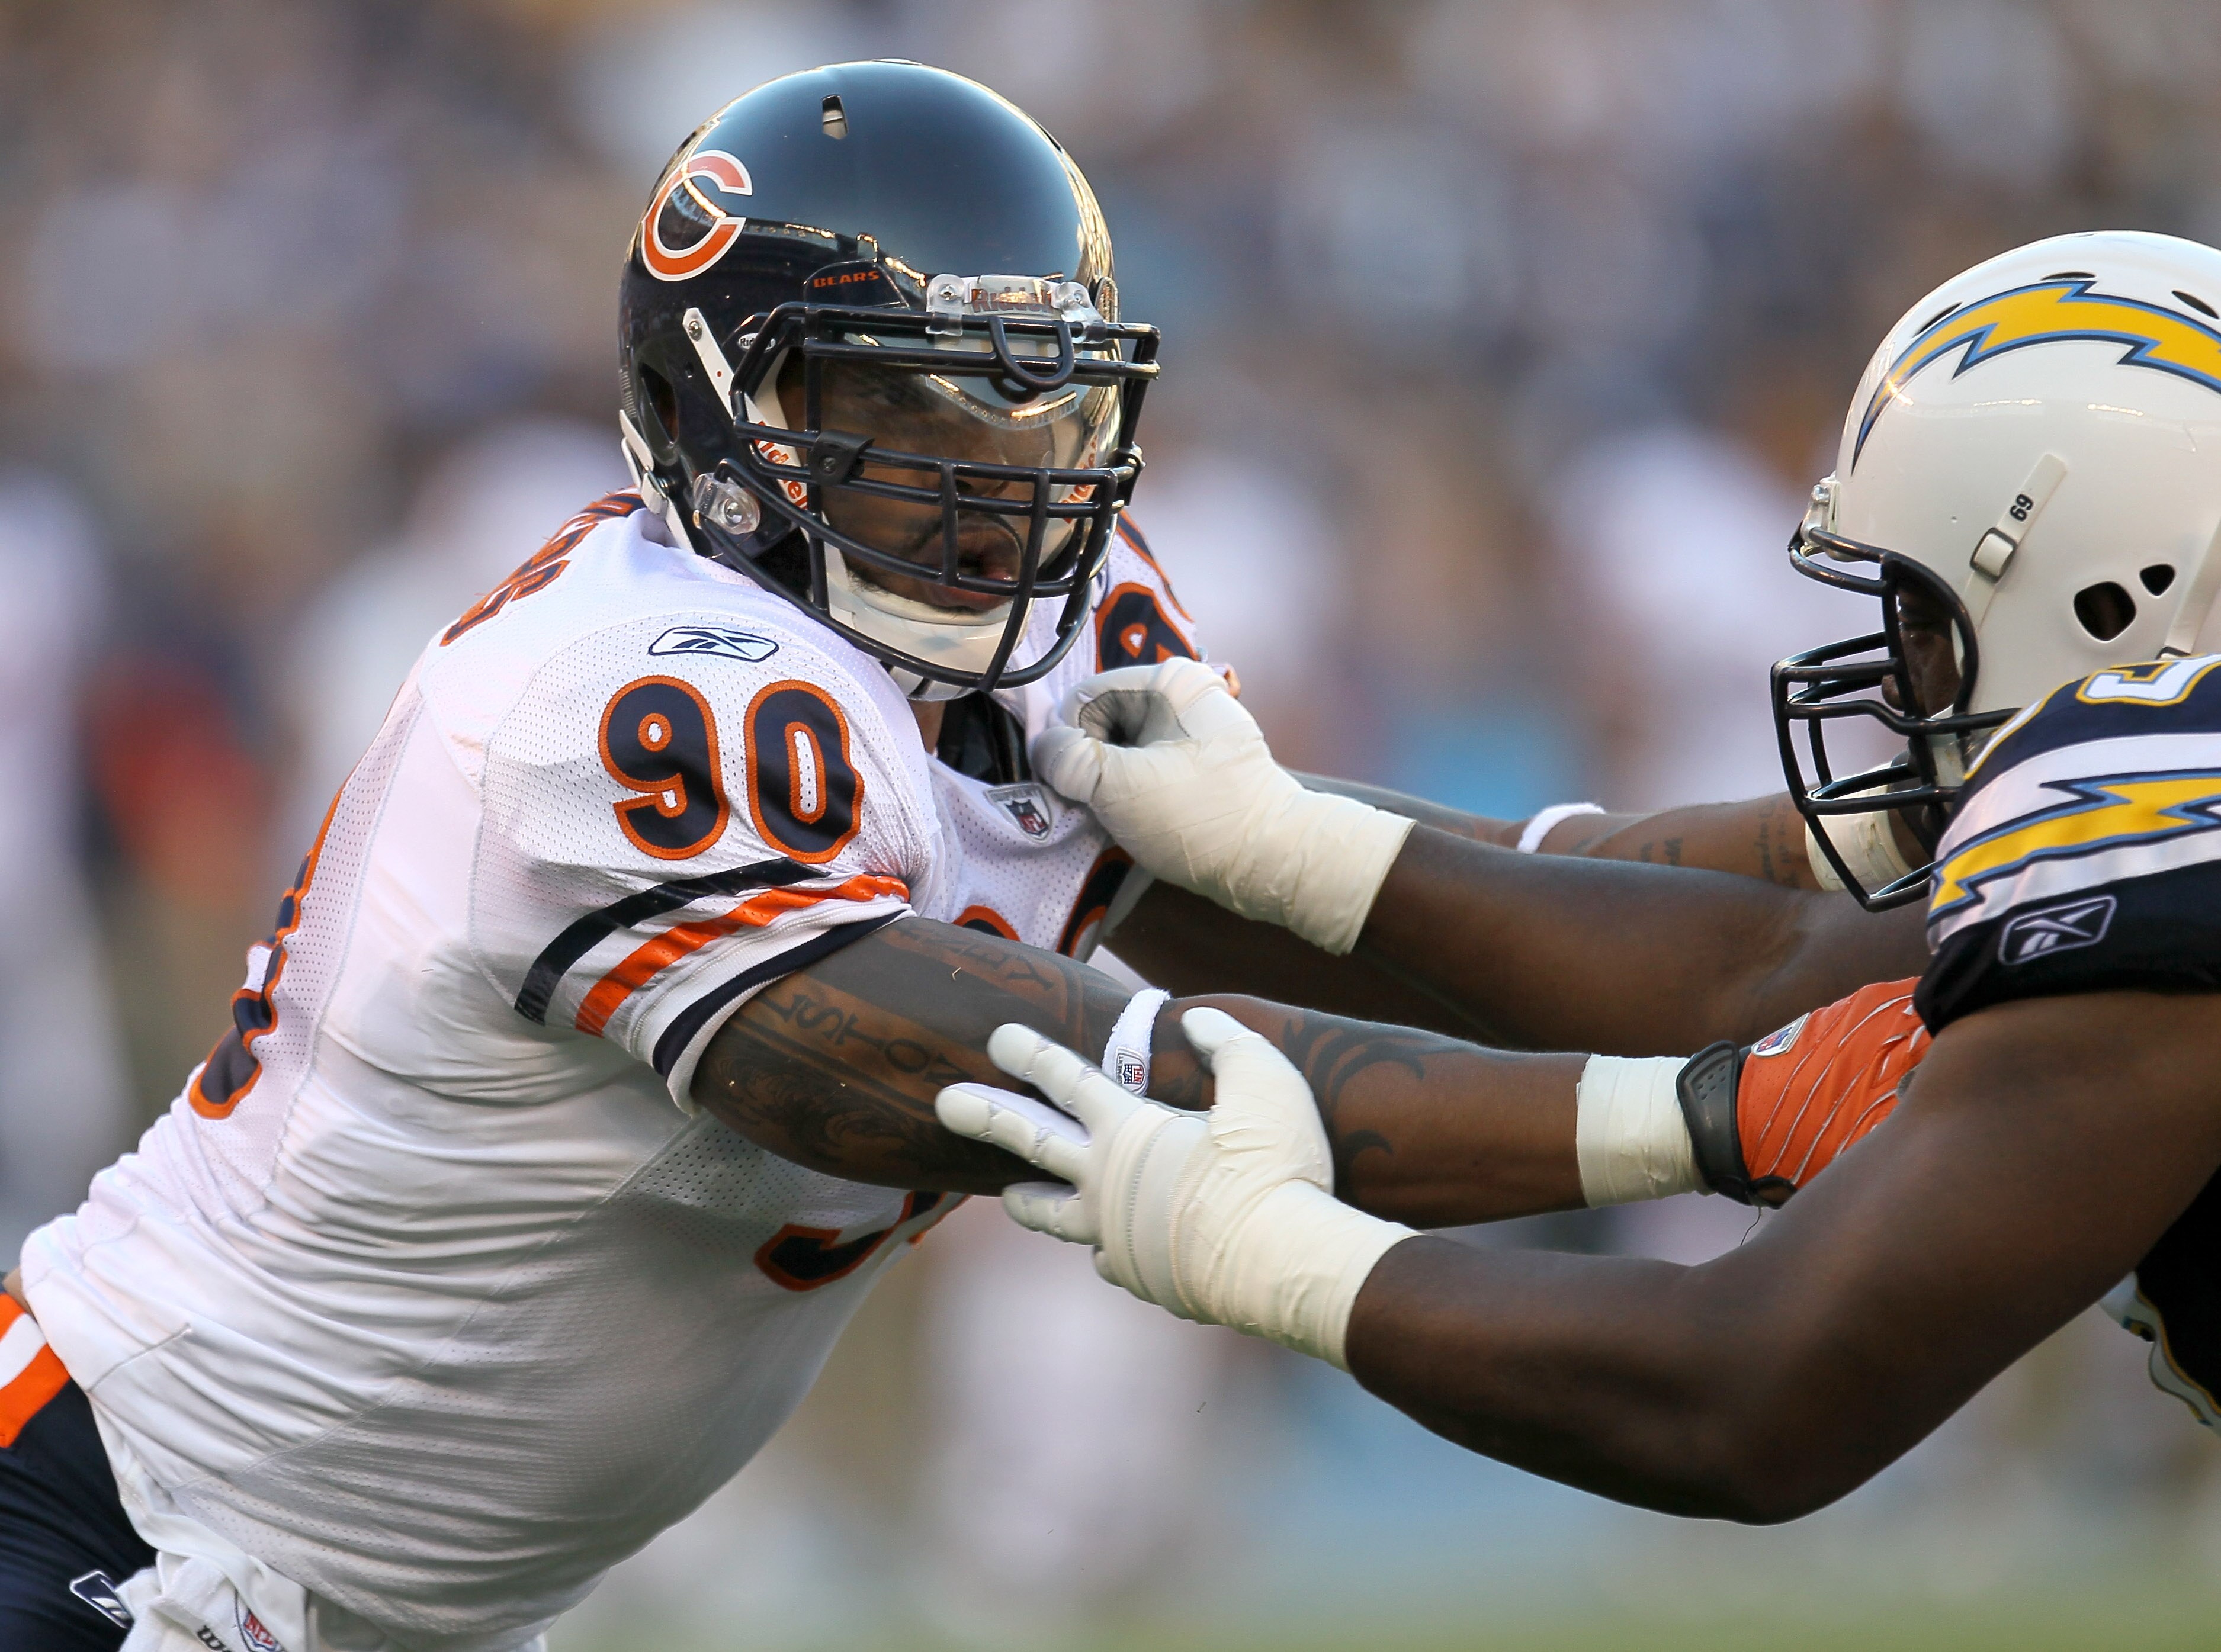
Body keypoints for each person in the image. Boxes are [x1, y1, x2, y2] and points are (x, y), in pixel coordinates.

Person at [0, 62, 1266, 1652]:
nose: (983, 478)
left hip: (426, 1579)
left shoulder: (1007, 662)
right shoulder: (634, 689)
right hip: (137, 1501)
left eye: (1015, 408)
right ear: (712, 424)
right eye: (891, 412)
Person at [935, 231, 2221, 1507]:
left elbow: (1748, 1395)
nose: (1899, 674)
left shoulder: (2168, 810)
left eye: (1927, 617)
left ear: (2125, 589)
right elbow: (1763, 969)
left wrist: (1280, 1257)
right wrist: (1276, 843)